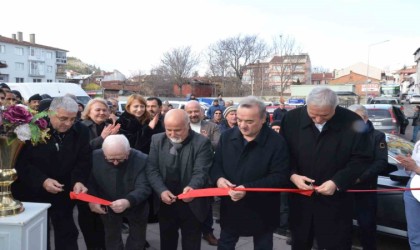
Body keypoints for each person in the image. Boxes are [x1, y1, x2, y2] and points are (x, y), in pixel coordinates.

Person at [280, 87, 373, 249]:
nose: (317, 120)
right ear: (306, 106)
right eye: (313, 114)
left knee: (336, 244)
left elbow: (361, 159)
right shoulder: (291, 119)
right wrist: (293, 175)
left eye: (324, 115)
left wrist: (337, 181)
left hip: (336, 201)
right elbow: (282, 154)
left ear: (335, 108)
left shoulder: (352, 121)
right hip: (300, 198)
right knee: (300, 242)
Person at [210, 96, 290, 249]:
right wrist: (219, 179)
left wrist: (247, 188)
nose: (242, 126)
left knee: (263, 245)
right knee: (226, 244)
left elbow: (280, 176)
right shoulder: (227, 137)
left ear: (263, 119)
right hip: (231, 206)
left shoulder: (276, 142)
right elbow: (216, 164)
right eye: (239, 120)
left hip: (262, 208)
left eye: (249, 121)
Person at [12, 96, 91, 250]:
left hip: (64, 189)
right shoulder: (31, 128)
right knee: (38, 233)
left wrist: (79, 181)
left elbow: (84, 159)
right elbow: (21, 163)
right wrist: (42, 180)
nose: (68, 124)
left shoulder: (81, 130)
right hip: (33, 191)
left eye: (72, 119)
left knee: (67, 232)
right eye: (63, 118)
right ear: (50, 113)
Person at [146, 109, 213, 250]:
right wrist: (161, 190)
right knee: (167, 240)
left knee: (191, 241)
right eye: (168, 130)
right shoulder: (157, 140)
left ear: (188, 125)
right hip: (166, 201)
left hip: (191, 203)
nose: (172, 134)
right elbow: (152, 169)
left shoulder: (202, 142)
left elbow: (201, 171)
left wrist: (193, 188)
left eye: (177, 130)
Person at [88, 135, 151, 250]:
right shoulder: (93, 157)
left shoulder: (142, 159)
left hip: (136, 205)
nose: (116, 163)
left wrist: (128, 201)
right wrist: (92, 200)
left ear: (128, 151)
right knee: (112, 237)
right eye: (111, 159)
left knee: (137, 239)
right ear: (103, 153)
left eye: (120, 159)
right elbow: (90, 183)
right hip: (107, 203)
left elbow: (144, 187)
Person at [79, 97, 120, 249]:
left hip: (105, 177)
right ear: (89, 112)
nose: (101, 113)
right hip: (86, 178)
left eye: (104, 110)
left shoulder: (110, 126)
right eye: (97, 110)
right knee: (89, 221)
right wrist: (102, 138)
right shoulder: (81, 127)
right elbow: (82, 151)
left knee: (106, 220)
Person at [348, 104, 388, 250]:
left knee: (367, 227)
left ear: (365, 118)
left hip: (366, 190)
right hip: (344, 189)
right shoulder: (345, 134)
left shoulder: (377, 136)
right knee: (344, 227)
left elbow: (381, 162)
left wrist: (360, 178)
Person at [185, 100, 220, 246]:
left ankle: (207, 232)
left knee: (206, 204)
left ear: (202, 112)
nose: (193, 114)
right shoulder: (181, 126)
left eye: (196, 111)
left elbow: (219, 144)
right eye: (190, 112)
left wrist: (205, 141)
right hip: (185, 171)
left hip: (205, 172)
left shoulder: (212, 127)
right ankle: (189, 231)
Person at [396, 143, 420, 250]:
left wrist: (416, 168)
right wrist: (407, 164)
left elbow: (417, 168)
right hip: (412, 189)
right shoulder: (419, 144)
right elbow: (411, 172)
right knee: (415, 237)